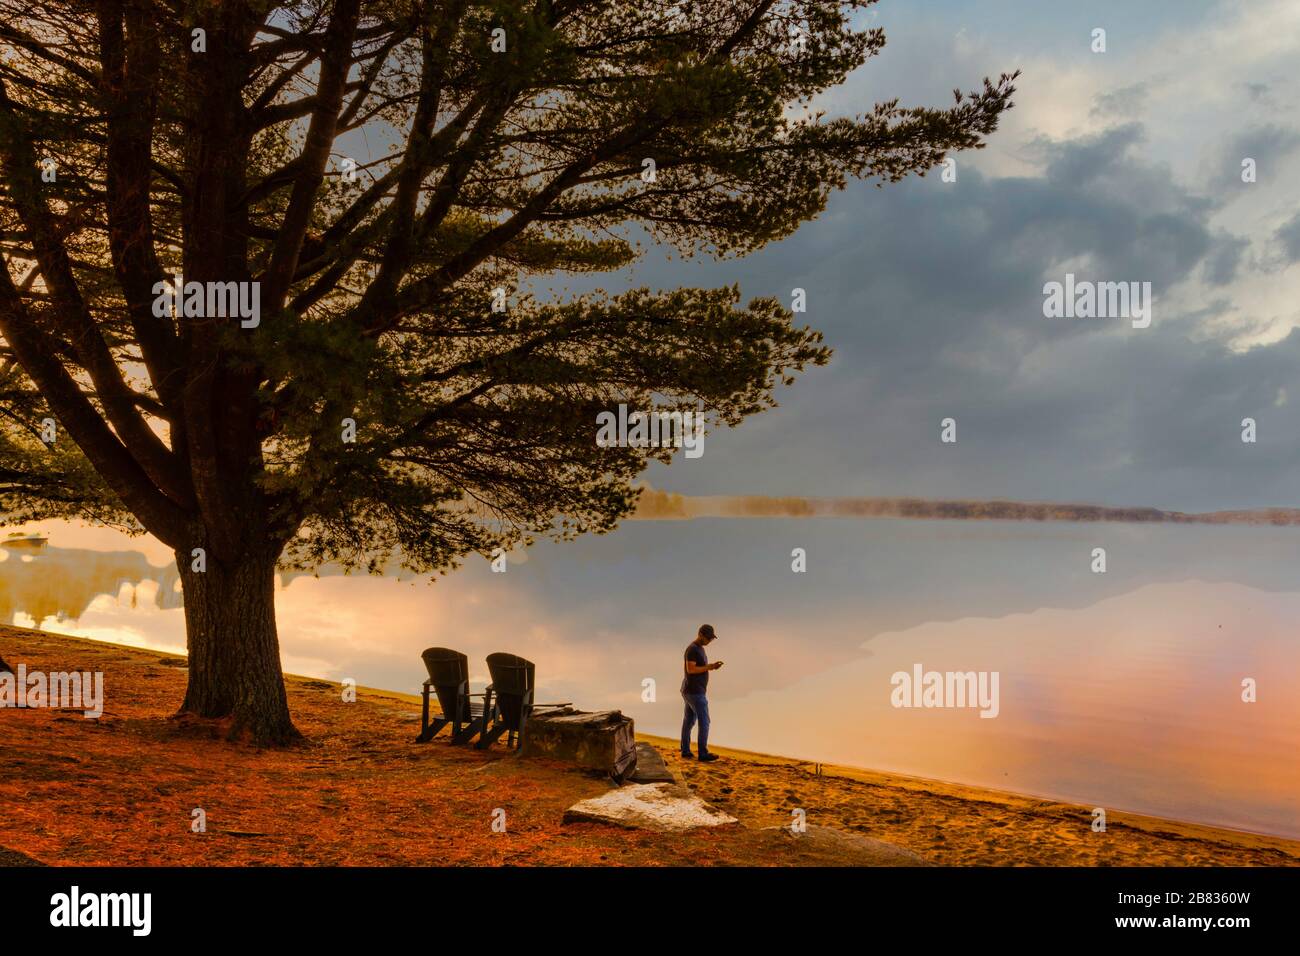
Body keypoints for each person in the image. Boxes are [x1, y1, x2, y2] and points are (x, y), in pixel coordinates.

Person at [680, 623, 723, 761]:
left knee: (689, 721)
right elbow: (691, 669)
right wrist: (710, 667)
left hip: (691, 691)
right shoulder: (692, 649)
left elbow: (698, 667)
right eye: (708, 638)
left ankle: (685, 751)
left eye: (711, 638)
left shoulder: (699, 648)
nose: (710, 641)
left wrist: (711, 667)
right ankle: (703, 753)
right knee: (704, 722)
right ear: (700, 635)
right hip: (695, 692)